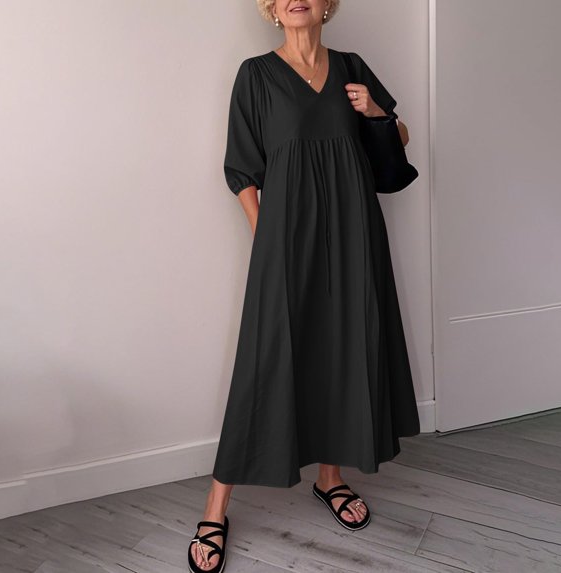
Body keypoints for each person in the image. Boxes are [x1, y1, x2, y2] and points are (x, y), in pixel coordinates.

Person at [188, 1, 420, 571]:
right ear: (271, 8)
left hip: (354, 231)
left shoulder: (352, 67)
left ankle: (330, 478)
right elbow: (242, 168)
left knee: (345, 345)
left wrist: (376, 111)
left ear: (326, 5)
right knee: (266, 358)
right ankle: (215, 509)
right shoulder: (256, 75)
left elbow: (399, 138)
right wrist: (266, 236)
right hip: (286, 236)